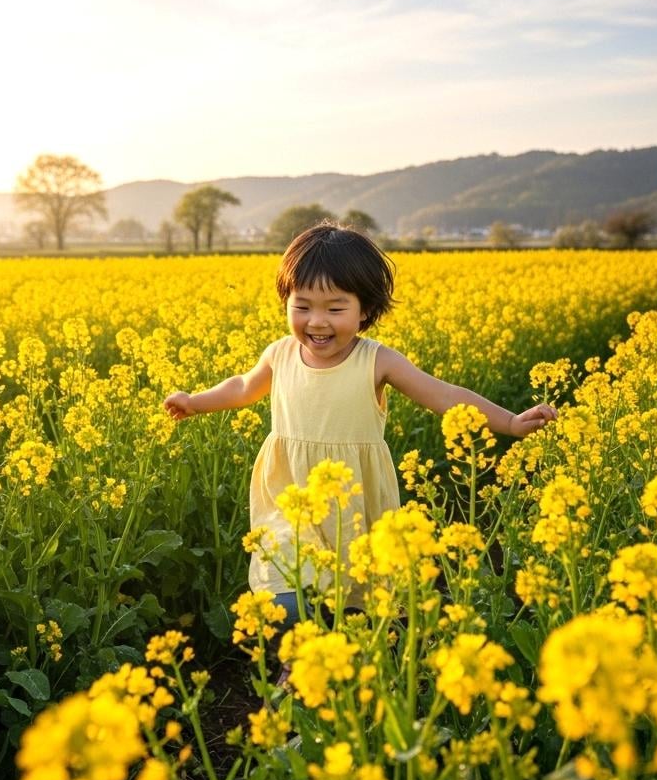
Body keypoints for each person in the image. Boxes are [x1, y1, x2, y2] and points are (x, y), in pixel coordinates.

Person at [163, 221, 556, 627]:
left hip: (353, 499)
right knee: (286, 591)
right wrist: (195, 402)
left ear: (365, 310)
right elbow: (243, 387)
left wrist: (509, 422)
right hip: (290, 493)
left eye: (335, 308)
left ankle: (352, 665)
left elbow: (443, 395)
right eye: (302, 306)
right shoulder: (279, 354)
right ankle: (290, 663)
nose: (317, 321)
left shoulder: (377, 360)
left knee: (357, 597)